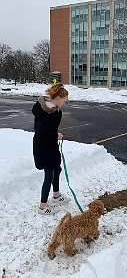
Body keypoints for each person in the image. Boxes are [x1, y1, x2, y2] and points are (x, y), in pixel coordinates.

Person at [32, 83, 71, 215]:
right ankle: (42, 207)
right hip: (45, 147)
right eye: (64, 101)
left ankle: (56, 195)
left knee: (57, 169)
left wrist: (53, 135)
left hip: (47, 145)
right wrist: (56, 135)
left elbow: (43, 129)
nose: (65, 104)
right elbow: (42, 132)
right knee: (49, 175)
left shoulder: (48, 109)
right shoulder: (52, 113)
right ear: (58, 98)